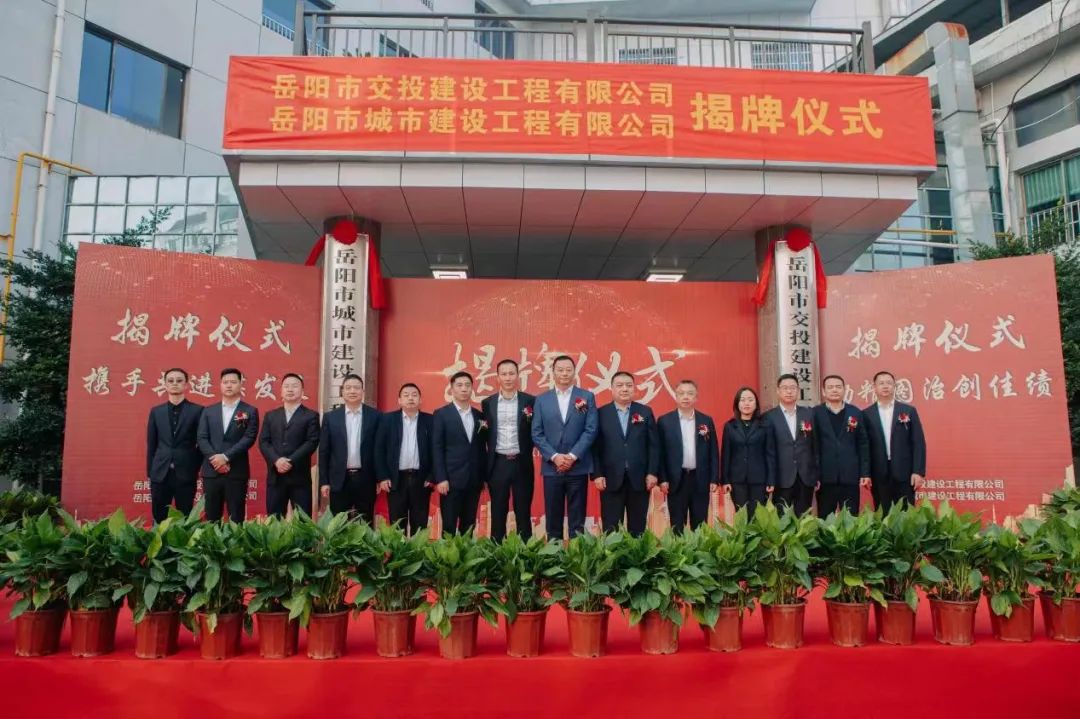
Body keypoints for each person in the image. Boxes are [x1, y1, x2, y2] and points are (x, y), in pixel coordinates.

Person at [531, 355, 598, 540]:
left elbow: (591, 429)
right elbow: (536, 433)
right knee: (553, 520)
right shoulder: (542, 400)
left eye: (568, 370)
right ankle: (554, 555)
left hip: (578, 467)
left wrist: (572, 456)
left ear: (574, 372)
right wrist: (555, 457)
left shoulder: (586, 397)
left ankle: (576, 555)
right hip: (552, 468)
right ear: (553, 372)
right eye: (560, 370)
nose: (564, 373)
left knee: (577, 521)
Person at [592, 371, 660, 536]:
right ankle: (613, 554)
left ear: (634, 388)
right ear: (611, 388)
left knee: (638, 527)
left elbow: (654, 446)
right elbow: (595, 447)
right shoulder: (601, 413)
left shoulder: (644, 412)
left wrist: (652, 472)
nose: (624, 389)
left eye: (629, 385)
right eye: (620, 385)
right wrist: (597, 474)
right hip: (610, 479)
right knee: (611, 528)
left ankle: (637, 553)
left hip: (640, 479)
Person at [481, 359, 536, 541]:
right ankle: (496, 552)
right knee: (498, 512)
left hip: (522, 463)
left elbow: (535, 431)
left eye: (511, 373)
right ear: (497, 377)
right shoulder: (487, 403)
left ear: (518, 376)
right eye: (503, 374)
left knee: (523, 512)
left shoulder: (530, 401)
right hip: (498, 463)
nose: (508, 378)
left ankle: (525, 552)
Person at [196, 368, 259, 522]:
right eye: (225, 382)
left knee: (236, 516)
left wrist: (225, 457)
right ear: (220, 385)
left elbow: (249, 438)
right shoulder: (208, 411)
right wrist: (215, 459)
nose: (229, 385)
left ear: (241, 384)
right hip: (211, 471)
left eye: (233, 382)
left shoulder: (249, 411)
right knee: (211, 517)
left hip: (236, 471)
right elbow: (202, 438)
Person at [657, 379, 719, 533]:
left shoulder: (706, 420)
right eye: (682, 393)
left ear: (696, 397)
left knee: (700, 525)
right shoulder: (664, 421)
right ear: (676, 396)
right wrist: (663, 478)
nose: (686, 397)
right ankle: (678, 550)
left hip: (700, 478)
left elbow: (713, 451)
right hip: (676, 480)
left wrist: (714, 478)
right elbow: (660, 453)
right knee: (677, 525)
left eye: (690, 393)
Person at [318, 374, 381, 523]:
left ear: (363, 391)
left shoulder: (375, 416)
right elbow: (324, 451)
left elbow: (379, 450)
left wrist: (379, 478)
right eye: (348, 388)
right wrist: (324, 481)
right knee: (339, 524)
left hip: (366, 478)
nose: (352, 391)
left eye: (356, 388)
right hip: (339, 479)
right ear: (342, 391)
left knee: (365, 523)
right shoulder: (331, 417)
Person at [862, 370, 927, 512]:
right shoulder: (866, 414)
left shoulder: (908, 411)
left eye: (889, 383)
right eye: (881, 383)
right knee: (882, 513)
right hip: (878, 473)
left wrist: (918, 471)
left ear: (894, 386)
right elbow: (864, 447)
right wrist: (865, 473)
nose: (885, 386)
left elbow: (918, 443)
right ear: (874, 387)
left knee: (906, 513)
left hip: (905, 473)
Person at [145, 368, 204, 522]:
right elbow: (151, 444)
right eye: (170, 381)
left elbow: (202, 443)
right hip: (160, 473)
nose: (175, 383)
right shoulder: (156, 412)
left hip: (186, 472)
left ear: (186, 385)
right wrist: (151, 472)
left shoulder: (197, 411)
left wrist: (194, 467)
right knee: (159, 517)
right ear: (165, 384)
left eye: (179, 380)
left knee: (184, 516)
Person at [374, 382, 434, 535]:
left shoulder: (430, 421)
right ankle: (398, 551)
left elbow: (436, 451)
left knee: (419, 525)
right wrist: (382, 477)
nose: (410, 398)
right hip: (396, 480)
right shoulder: (387, 420)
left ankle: (418, 551)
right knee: (397, 525)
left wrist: (432, 476)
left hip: (421, 480)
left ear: (420, 400)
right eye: (406, 395)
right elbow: (379, 450)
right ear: (399, 400)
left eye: (414, 395)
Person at [432, 371, 488, 534]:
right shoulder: (442, 414)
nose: (464, 389)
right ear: (452, 388)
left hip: (474, 480)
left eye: (468, 385)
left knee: (469, 525)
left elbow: (482, 449)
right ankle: (448, 552)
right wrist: (441, 478)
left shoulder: (479, 416)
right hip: (450, 481)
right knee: (449, 526)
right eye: (459, 385)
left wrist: (483, 477)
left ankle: (467, 551)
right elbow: (437, 448)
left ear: (472, 389)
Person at [258, 373, 320, 517]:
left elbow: (311, 442)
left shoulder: (311, 416)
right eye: (286, 386)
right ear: (281, 391)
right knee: (274, 520)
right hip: (275, 476)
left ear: (302, 391)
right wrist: (276, 460)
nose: (290, 389)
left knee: (302, 521)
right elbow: (264, 442)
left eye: (294, 386)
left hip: (300, 477)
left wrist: (290, 461)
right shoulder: (271, 415)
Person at [813, 374, 871, 516]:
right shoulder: (815, 413)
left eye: (838, 387)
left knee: (851, 518)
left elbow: (863, 444)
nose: (834, 390)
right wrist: (814, 474)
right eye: (830, 387)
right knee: (825, 519)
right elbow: (813, 446)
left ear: (844, 389)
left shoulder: (855, 412)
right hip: (825, 478)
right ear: (824, 391)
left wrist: (865, 473)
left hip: (850, 476)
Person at [762, 374, 818, 515]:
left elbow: (815, 446)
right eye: (785, 388)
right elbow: (768, 451)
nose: (789, 391)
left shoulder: (809, 414)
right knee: (782, 519)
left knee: (804, 519)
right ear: (778, 391)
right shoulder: (769, 417)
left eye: (793, 388)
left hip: (805, 477)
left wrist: (817, 474)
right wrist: (770, 478)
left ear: (798, 391)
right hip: (781, 477)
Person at [720, 386, 773, 518]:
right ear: (737, 404)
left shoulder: (765, 425)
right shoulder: (730, 426)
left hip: (760, 480)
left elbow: (770, 453)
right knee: (742, 516)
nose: (746, 403)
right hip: (737, 480)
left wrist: (771, 479)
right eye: (743, 400)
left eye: (750, 400)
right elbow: (726, 455)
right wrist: (725, 480)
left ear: (756, 404)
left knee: (757, 517)